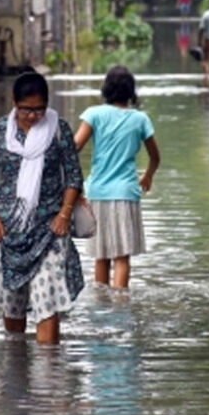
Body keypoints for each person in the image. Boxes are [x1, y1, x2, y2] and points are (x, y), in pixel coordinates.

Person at [0, 72, 84, 344]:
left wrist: (64, 214)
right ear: (14, 102)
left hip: (49, 228)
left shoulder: (59, 131)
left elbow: (73, 177)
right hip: (9, 231)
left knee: (46, 298)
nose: (33, 116)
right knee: (13, 300)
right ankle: (15, 364)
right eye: (26, 109)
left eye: (39, 109)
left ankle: (49, 374)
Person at [74, 65, 161, 289]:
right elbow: (155, 157)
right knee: (122, 257)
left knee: (100, 255)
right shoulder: (140, 119)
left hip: (97, 192)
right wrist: (148, 176)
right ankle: (121, 307)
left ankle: (102, 306)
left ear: (106, 90)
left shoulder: (94, 114)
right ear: (131, 92)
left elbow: (74, 147)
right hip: (125, 193)